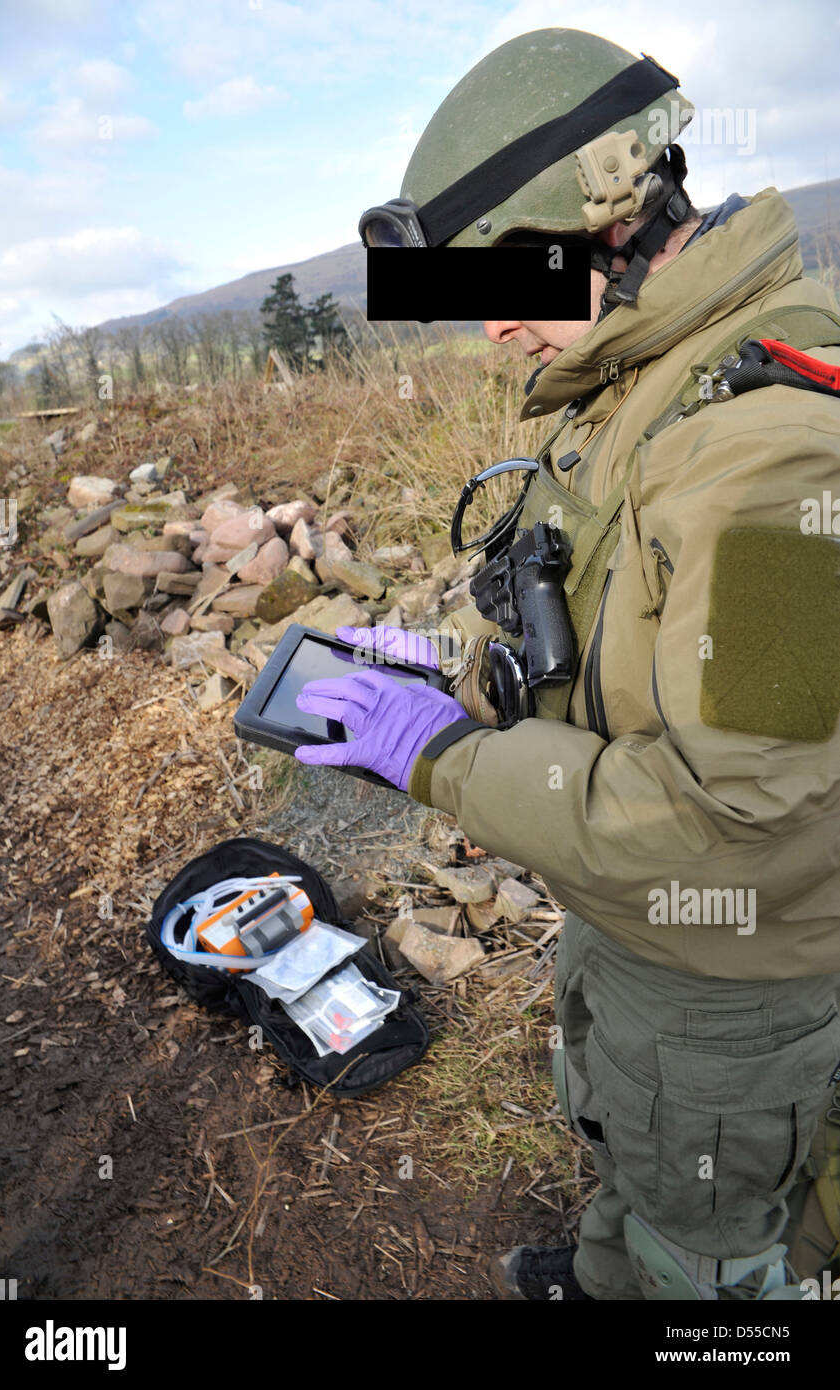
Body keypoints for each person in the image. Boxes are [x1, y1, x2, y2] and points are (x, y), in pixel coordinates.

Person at [294, 27, 840, 1301]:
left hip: (723, 978)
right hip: (629, 926)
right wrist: (441, 674)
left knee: (705, 1247)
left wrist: (438, 758)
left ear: (610, 219)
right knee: (629, 1164)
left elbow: (728, 823)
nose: (488, 328)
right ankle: (610, 1269)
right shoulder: (644, 385)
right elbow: (586, 629)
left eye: (504, 279)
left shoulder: (770, 454)